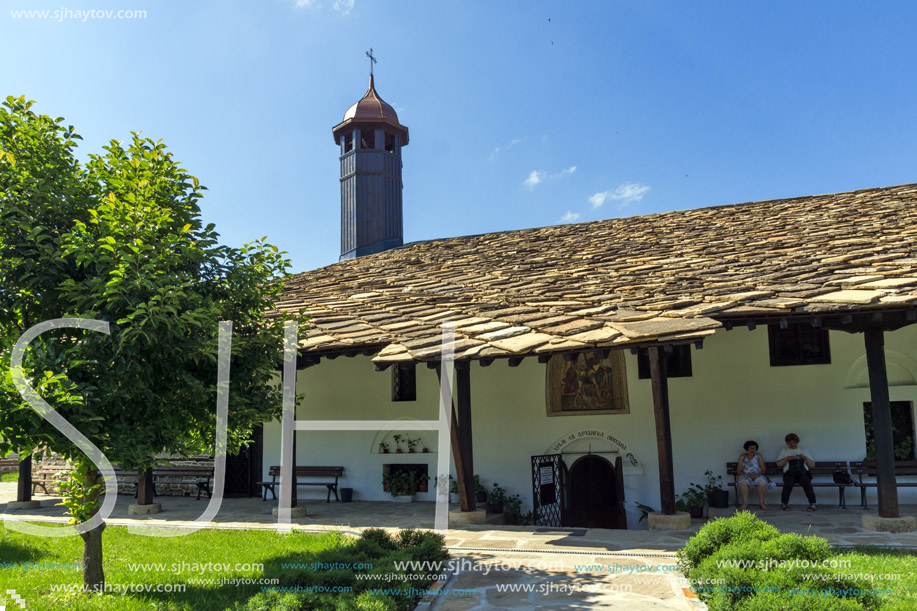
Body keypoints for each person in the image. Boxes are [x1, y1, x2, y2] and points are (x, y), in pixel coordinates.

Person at [775, 433, 816, 511]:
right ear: (787, 443)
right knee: (788, 483)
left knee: (806, 482)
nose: (792, 444)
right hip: (789, 473)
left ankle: (813, 503)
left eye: (794, 442)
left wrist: (805, 458)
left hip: (802, 473)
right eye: (790, 442)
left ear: (797, 442)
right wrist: (787, 458)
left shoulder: (803, 451)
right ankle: (785, 503)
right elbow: (779, 464)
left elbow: (812, 465)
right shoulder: (784, 451)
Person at [737, 440, 768, 510]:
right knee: (743, 482)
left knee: (762, 483)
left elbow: (763, 469)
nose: (753, 450)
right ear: (746, 448)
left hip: (758, 475)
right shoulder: (742, 457)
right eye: (751, 448)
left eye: (754, 448)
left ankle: (762, 503)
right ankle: (745, 504)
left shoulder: (758, 456)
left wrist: (758, 474)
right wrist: (748, 475)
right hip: (746, 475)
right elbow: (739, 471)